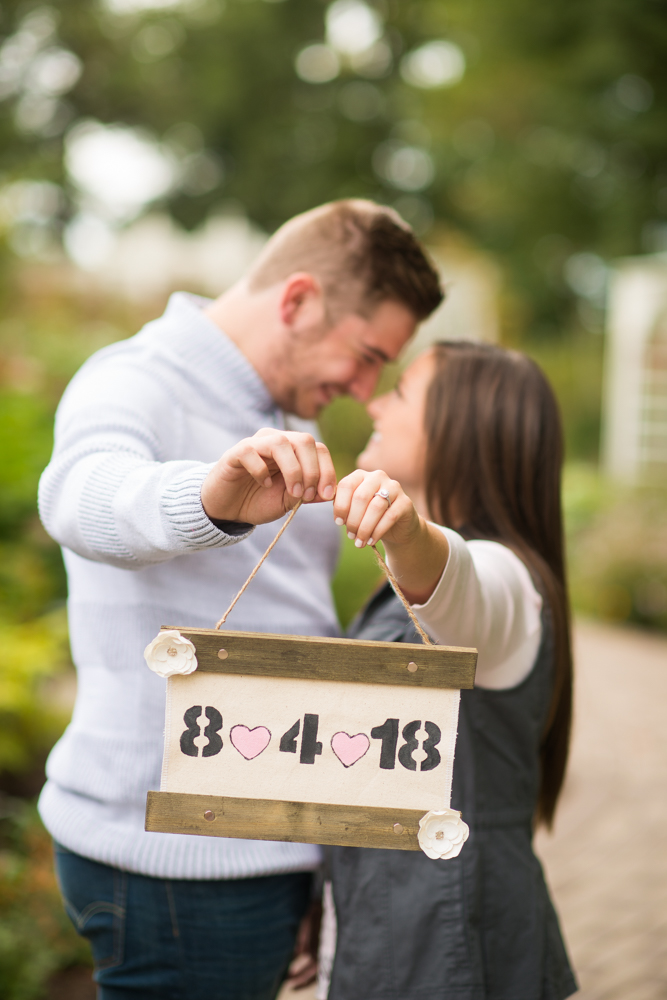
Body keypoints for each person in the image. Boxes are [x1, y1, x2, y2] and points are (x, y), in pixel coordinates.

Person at [37, 199, 443, 1000]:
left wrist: (307, 854)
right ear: (296, 300)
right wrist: (211, 497)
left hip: (256, 850)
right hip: (174, 865)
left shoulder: (285, 411)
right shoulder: (135, 378)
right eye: (366, 356)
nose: (366, 389)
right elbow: (80, 498)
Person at [327, 341, 578, 999]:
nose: (375, 400)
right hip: (410, 936)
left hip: (458, 948)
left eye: (401, 390)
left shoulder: (506, 580)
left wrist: (408, 534)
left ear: (462, 429)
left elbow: (463, 587)